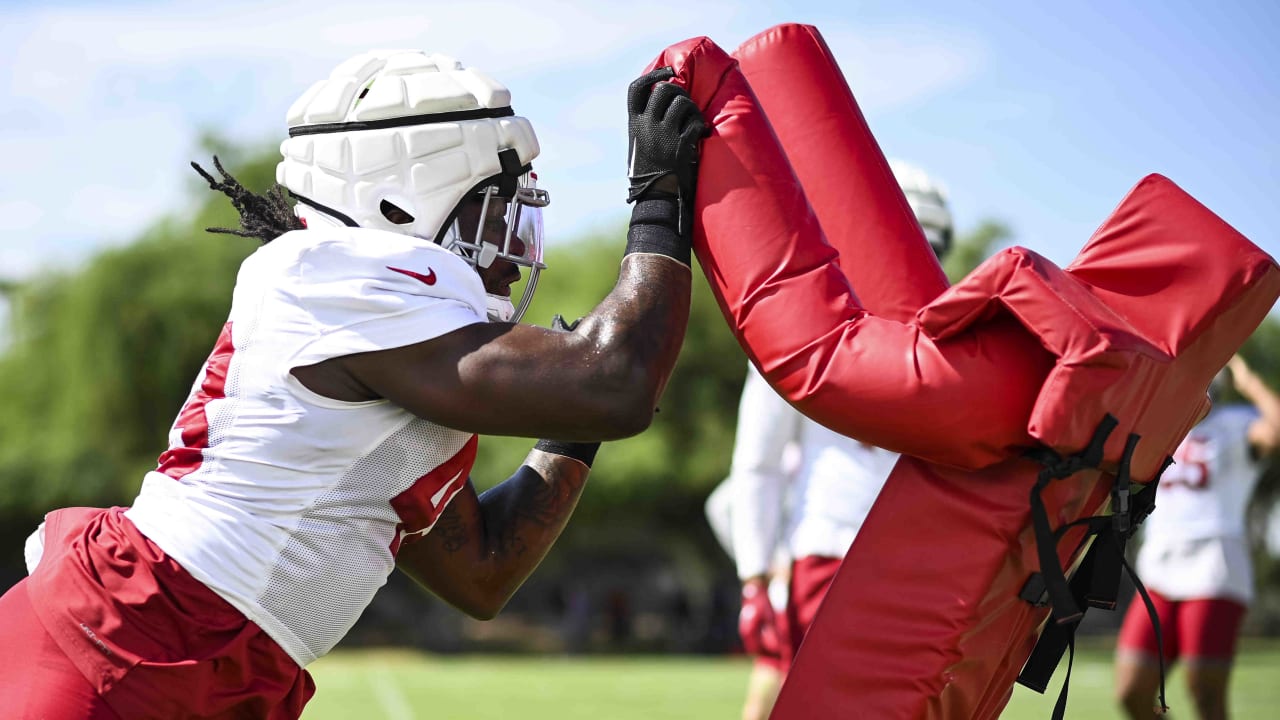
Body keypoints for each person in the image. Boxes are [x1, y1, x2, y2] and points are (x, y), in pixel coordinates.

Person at [0, 53, 705, 720]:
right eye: (496, 205)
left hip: (205, 656)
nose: (518, 243)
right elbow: (619, 382)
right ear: (402, 198)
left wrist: (572, 416)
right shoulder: (333, 274)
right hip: (130, 641)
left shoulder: (385, 357)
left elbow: (481, 575)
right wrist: (659, 201)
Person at [706, 160, 952, 720]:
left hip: (925, 563)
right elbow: (758, 465)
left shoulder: (959, 338)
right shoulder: (806, 327)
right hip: (830, 553)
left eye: (927, 248)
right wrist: (755, 571)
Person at [1115, 354, 1280, 720]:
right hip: (1160, 565)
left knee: (1205, 693)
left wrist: (1248, 378)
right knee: (1132, 692)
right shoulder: (1163, 425)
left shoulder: (1236, 423)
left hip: (1213, 565)